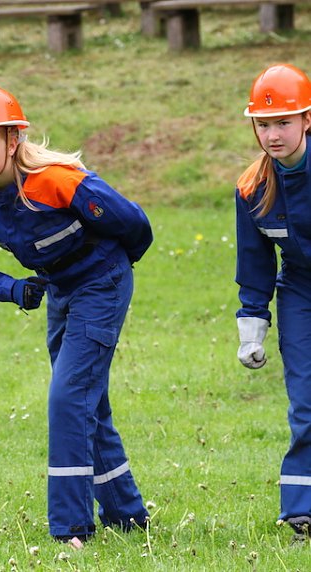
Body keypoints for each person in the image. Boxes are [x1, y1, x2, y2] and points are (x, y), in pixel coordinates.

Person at [0, 86, 152, 545]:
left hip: (102, 281)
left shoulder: (58, 180)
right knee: (87, 402)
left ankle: (71, 527)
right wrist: (16, 289)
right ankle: (127, 514)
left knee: (67, 398)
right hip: (57, 289)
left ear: (13, 140)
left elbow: (135, 225)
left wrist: (113, 273)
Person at [234, 63, 311, 542]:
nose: (273, 134)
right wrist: (251, 325)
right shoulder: (252, 189)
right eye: (264, 124)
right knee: (305, 403)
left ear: (308, 120)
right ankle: (302, 509)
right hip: (300, 291)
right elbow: (255, 261)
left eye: (284, 122)